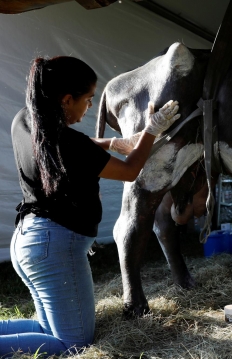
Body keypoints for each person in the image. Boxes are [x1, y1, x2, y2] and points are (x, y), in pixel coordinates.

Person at [1, 56, 180, 357]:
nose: (88, 108)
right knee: (74, 343)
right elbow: (130, 171)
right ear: (67, 99)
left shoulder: (25, 119)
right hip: (54, 249)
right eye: (87, 100)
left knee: (48, 332)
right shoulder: (70, 145)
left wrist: (110, 144)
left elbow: (65, 143)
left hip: (28, 242)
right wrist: (151, 130)